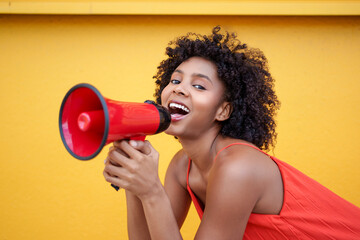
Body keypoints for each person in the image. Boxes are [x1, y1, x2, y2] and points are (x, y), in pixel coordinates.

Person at [103, 26, 360, 239]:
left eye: (199, 86)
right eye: (176, 80)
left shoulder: (238, 166)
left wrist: (151, 191)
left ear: (223, 111)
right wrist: (133, 185)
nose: (179, 89)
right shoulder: (182, 165)